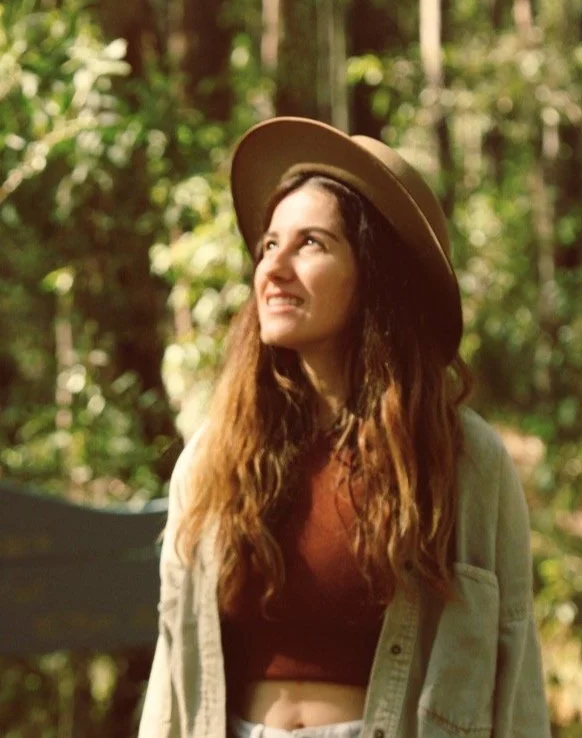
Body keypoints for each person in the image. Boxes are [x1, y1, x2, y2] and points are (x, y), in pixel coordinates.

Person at [138, 117, 551, 738]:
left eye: (311, 244)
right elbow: (173, 673)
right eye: (269, 245)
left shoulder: (463, 462)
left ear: (375, 276)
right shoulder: (213, 460)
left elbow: (514, 673)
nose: (275, 268)